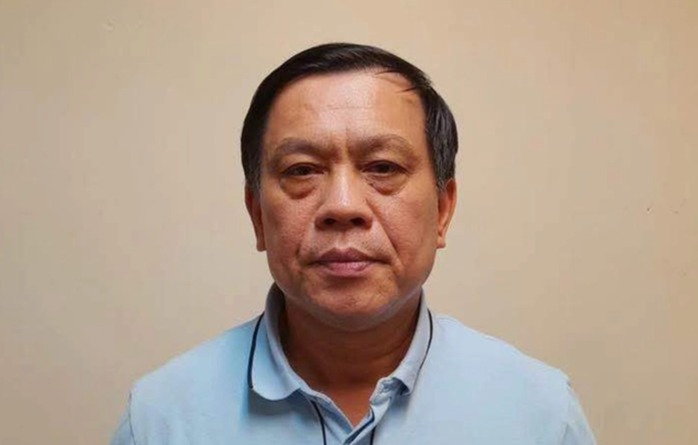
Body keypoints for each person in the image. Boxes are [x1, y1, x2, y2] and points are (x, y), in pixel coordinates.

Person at [111, 43, 596, 445]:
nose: (342, 206)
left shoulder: (540, 415)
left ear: (443, 209)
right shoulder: (160, 420)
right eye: (302, 170)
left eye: (383, 167)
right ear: (257, 214)